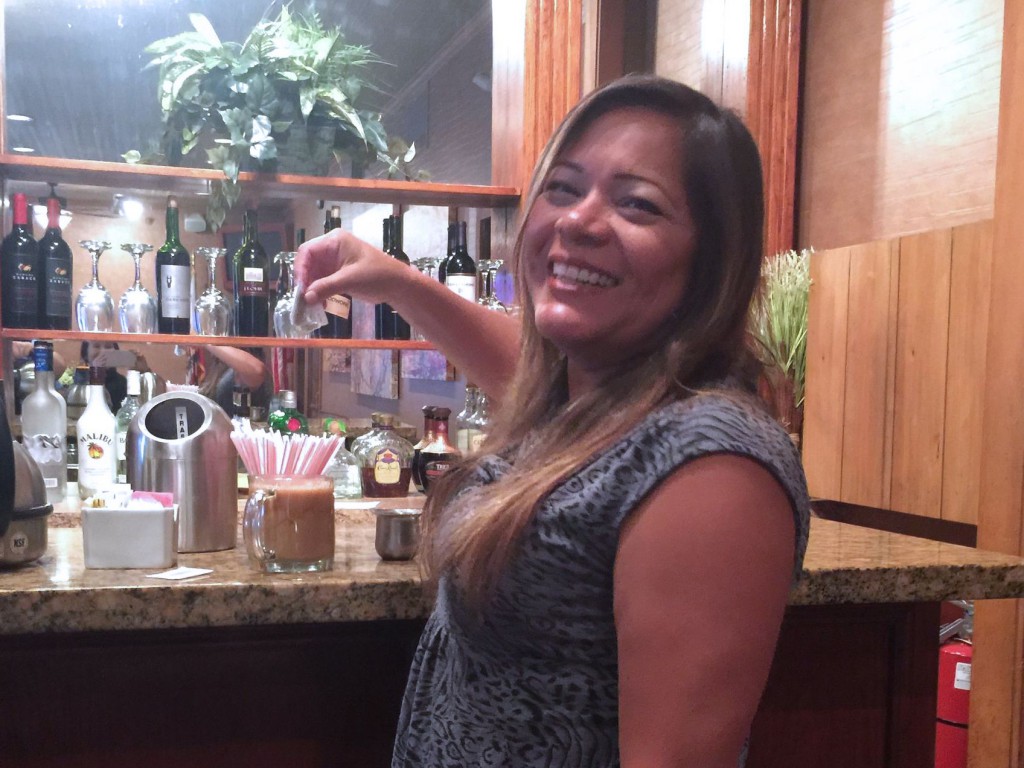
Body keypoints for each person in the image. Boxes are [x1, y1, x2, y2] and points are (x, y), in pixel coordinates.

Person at [296, 74, 810, 767]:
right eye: (563, 189)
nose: (578, 221)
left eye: (638, 204)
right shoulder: (595, 398)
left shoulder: (713, 469)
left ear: (712, 258)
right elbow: (521, 364)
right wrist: (393, 280)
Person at [187, 345, 269, 415]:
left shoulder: (242, 367)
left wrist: (206, 342)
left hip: (240, 427)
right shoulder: (220, 365)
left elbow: (257, 370)